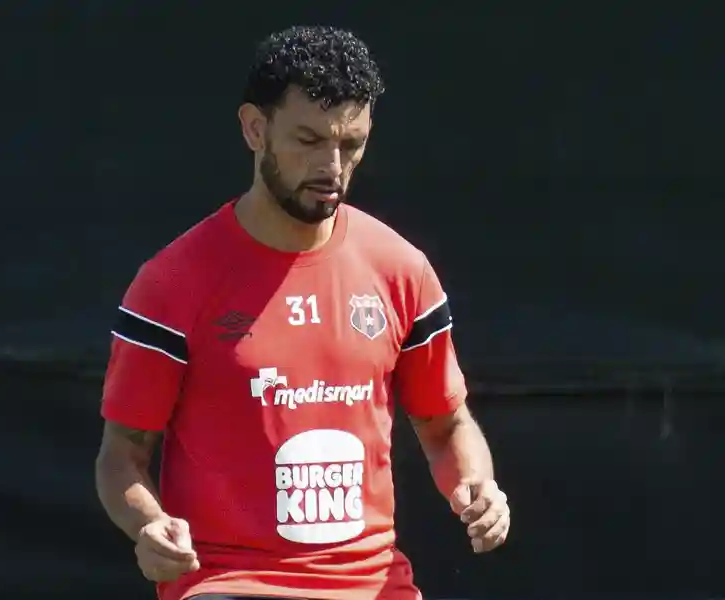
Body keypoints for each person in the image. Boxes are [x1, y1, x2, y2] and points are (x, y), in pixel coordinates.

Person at [94, 25, 510, 600]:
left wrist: (477, 484)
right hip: (228, 582)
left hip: (375, 582)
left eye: (351, 144)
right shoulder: (171, 282)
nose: (332, 167)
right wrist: (148, 526)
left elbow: (445, 427)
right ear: (254, 128)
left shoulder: (401, 269)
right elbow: (123, 457)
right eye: (309, 140)